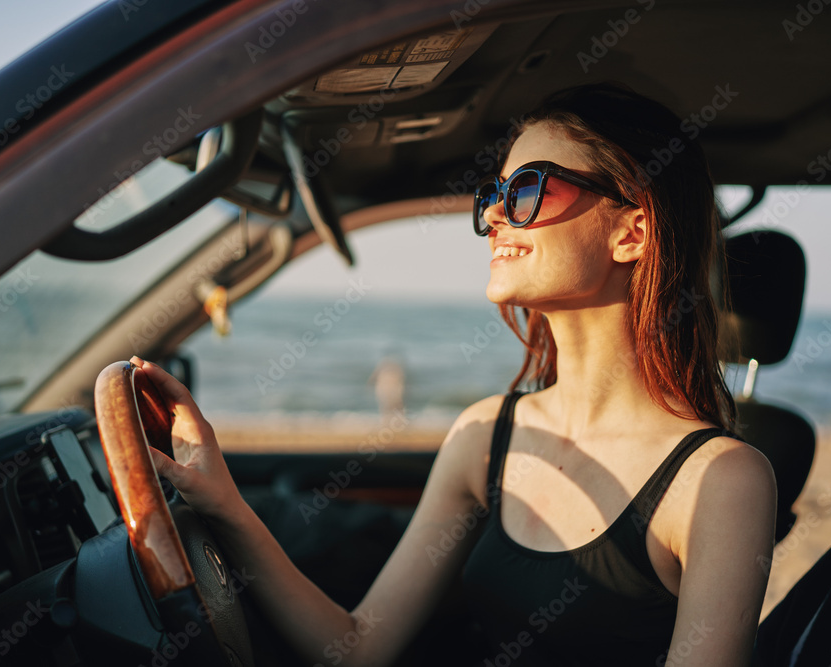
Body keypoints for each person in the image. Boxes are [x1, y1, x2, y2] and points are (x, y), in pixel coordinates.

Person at [130, 82, 777, 666]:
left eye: (527, 190)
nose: (494, 215)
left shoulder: (720, 479)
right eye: (494, 193)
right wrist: (227, 505)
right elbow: (355, 648)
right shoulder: (484, 435)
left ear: (632, 231)